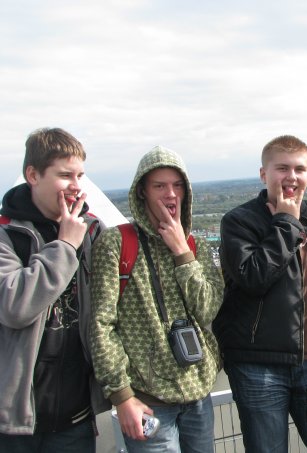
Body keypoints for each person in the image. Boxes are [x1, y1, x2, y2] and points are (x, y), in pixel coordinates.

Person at [212, 135, 307, 453]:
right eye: (282, 168)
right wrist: (286, 223)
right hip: (257, 363)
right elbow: (252, 278)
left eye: (300, 169)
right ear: (264, 174)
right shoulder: (238, 221)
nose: (292, 176)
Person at [90, 146, 222, 453]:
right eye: (159, 186)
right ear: (143, 192)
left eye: (177, 185)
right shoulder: (116, 243)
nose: (170, 194)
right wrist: (122, 396)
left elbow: (207, 310)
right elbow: (101, 325)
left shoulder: (197, 246)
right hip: (148, 400)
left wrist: (182, 252)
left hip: (198, 394)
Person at [0, 128, 109, 452]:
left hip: (76, 417)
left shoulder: (93, 231)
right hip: (16, 424)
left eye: (80, 175)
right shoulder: (7, 235)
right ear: (33, 175)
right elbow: (14, 306)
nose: (76, 185)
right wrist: (64, 246)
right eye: (65, 175)